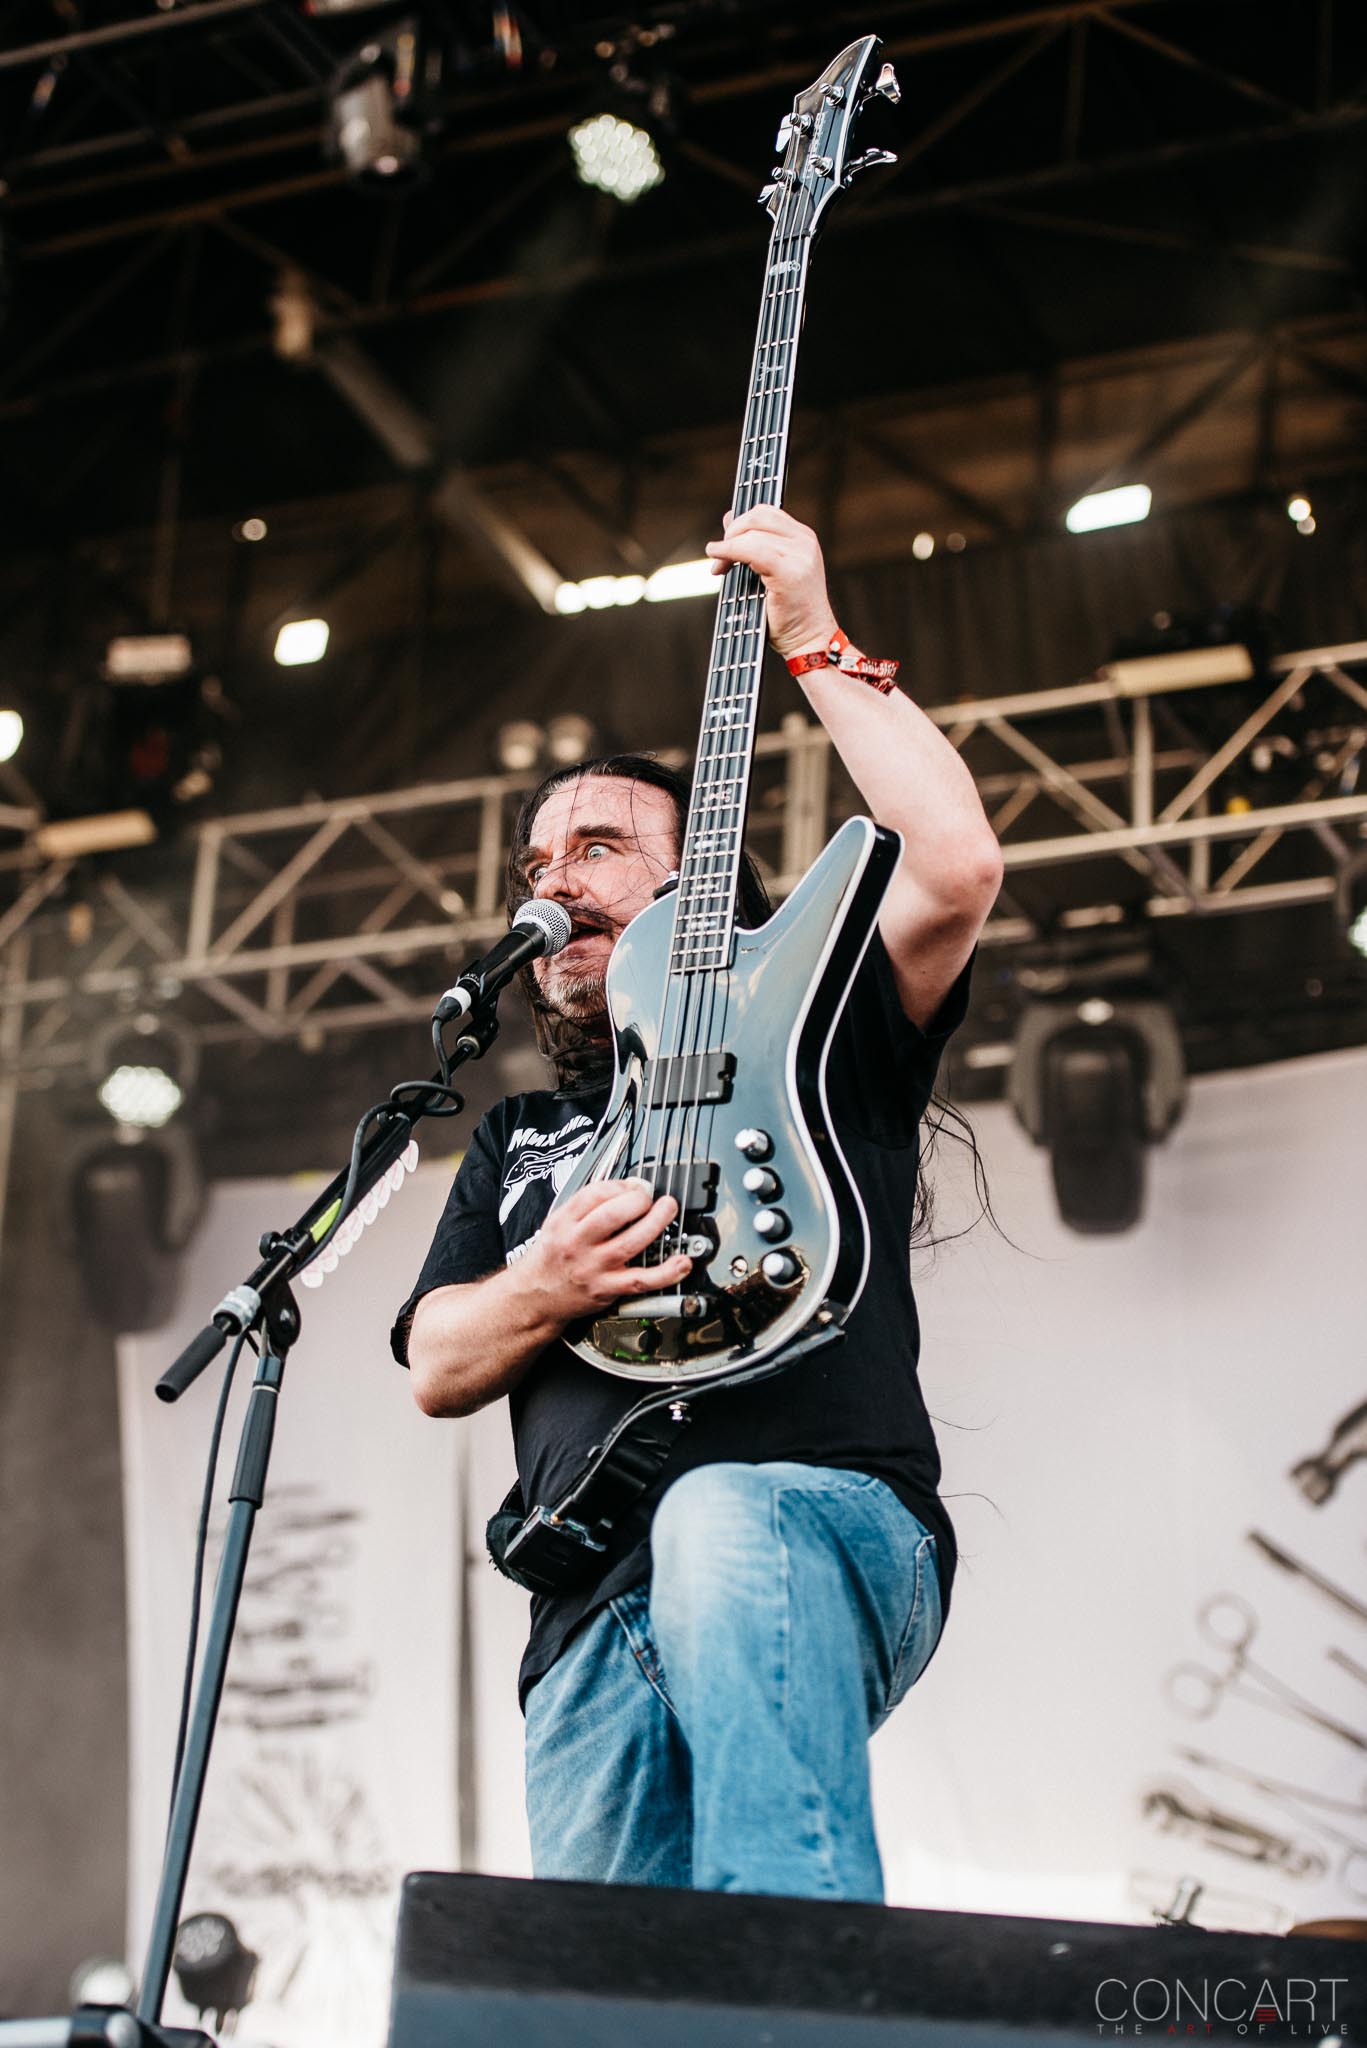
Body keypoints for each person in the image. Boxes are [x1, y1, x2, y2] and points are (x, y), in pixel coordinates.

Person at [392, 505, 1003, 1902]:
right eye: (538, 866)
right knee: (615, 1992)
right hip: (586, 1615)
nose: (556, 882)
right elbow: (435, 1362)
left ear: (703, 870)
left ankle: (809, 1984)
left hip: (818, 1519)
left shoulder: (818, 1031)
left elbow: (957, 866)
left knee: (721, 1517)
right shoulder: (520, 1138)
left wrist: (813, 637)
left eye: (599, 847)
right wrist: (546, 1283)